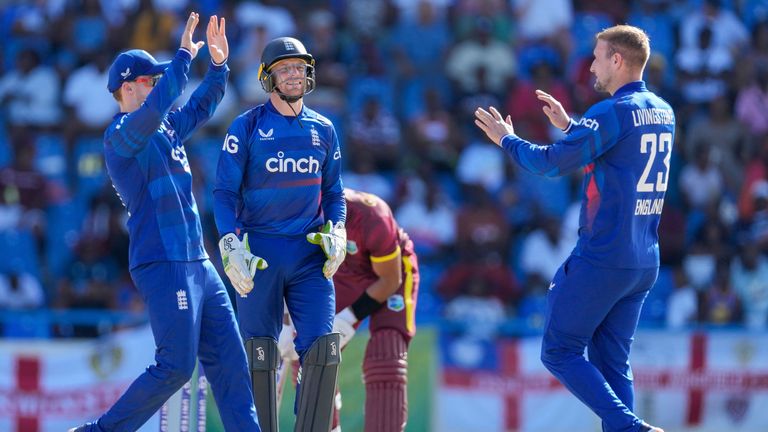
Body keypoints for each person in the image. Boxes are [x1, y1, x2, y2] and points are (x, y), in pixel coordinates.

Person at [69, 13, 261, 432]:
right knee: (175, 366)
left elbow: (202, 104)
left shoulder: (165, 126)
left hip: (199, 262)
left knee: (231, 365)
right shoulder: (119, 135)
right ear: (127, 87)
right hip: (163, 260)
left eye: (158, 79)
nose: (157, 85)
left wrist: (218, 65)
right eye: (150, 80)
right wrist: (182, 57)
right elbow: (162, 102)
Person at [475, 24, 671, 432]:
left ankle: (631, 427)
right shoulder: (662, 110)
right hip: (643, 259)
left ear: (617, 59)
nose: (591, 68)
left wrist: (507, 140)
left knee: (559, 350)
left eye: (597, 58)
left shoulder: (611, 111)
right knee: (613, 364)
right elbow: (621, 149)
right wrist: (572, 127)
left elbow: (551, 164)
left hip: (604, 255)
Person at [213, 36, 346, 432]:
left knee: (322, 350)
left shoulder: (324, 129)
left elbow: (334, 192)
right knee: (259, 355)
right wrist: (229, 242)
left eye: (299, 68)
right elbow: (223, 193)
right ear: (267, 77)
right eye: (284, 69)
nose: (293, 75)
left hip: (309, 255)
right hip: (260, 254)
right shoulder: (247, 126)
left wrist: (338, 229)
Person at [277, 188, 419, 432]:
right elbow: (287, 273)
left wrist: (347, 318)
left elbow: (389, 279)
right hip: (335, 274)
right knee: (309, 356)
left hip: (389, 275)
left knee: (386, 355)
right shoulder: (294, 215)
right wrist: (287, 322)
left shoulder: (371, 215)